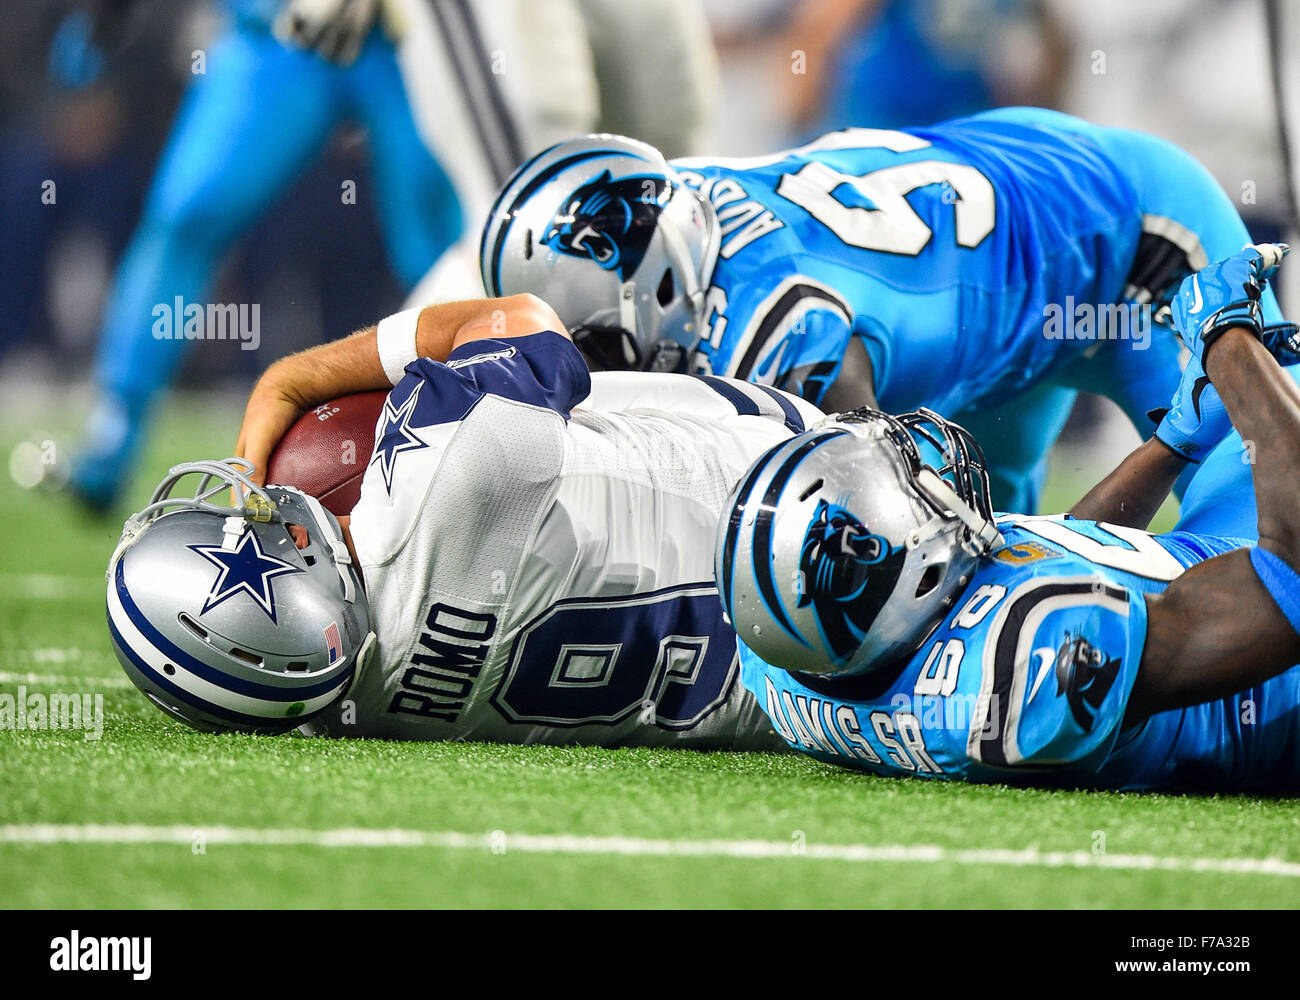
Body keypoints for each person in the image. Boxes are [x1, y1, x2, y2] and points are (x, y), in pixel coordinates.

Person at [481, 108, 1287, 513]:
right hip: (993, 276)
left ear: (654, 280)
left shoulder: (781, 324)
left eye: (596, 343)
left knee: (1265, 543)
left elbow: (885, 513)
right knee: (1013, 550)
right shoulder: (680, 203)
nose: (593, 368)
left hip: (1128, 246)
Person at [105, 293, 821, 746]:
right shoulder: (440, 478)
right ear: (290, 552)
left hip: (799, 704)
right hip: (796, 485)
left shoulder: (353, 716)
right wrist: (288, 380)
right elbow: (521, 317)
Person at [716, 244, 1300, 792]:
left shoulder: (791, 654)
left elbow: (1061, 554)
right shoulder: (1024, 666)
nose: (931, 462)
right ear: (913, 573)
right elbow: (1291, 574)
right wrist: (1225, 338)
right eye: (917, 479)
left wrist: (1172, 442)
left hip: (1217, 559)